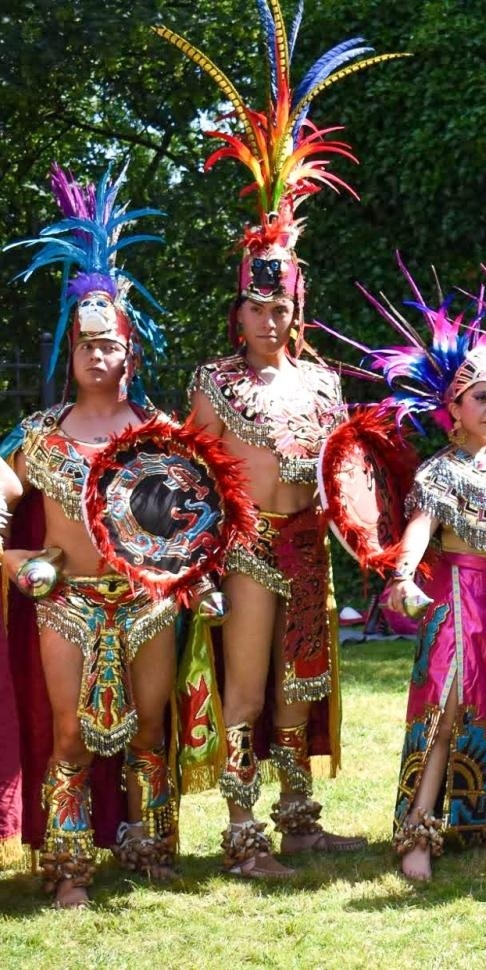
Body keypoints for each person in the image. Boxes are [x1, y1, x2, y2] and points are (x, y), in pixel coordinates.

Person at [158, 6, 403, 876]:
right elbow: (183, 479)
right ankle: (239, 834)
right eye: (258, 308)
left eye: (283, 307)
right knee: (249, 690)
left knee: (303, 691)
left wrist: (374, 542)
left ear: (297, 310)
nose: (271, 320)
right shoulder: (213, 383)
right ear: (238, 311)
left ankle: (301, 820)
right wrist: (196, 567)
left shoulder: (326, 381)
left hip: (309, 548)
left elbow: (350, 473)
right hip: (250, 549)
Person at [2, 164, 238, 905]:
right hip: (66, 601)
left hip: (149, 603)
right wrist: (10, 554)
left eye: (111, 347)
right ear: (67, 354)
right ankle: (69, 869)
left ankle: (151, 848)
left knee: (149, 730)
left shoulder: (161, 435)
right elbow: (4, 488)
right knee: (70, 735)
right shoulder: (40, 438)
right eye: (86, 346)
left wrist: (197, 573)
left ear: (130, 354)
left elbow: (199, 516)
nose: (98, 358)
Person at [361, 272, 486, 882]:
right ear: (454, 411)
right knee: (445, 708)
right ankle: (417, 830)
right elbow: (419, 526)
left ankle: (477, 827)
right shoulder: (440, 470)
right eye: (482, 399)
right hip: (457, 598)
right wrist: (404, 575)